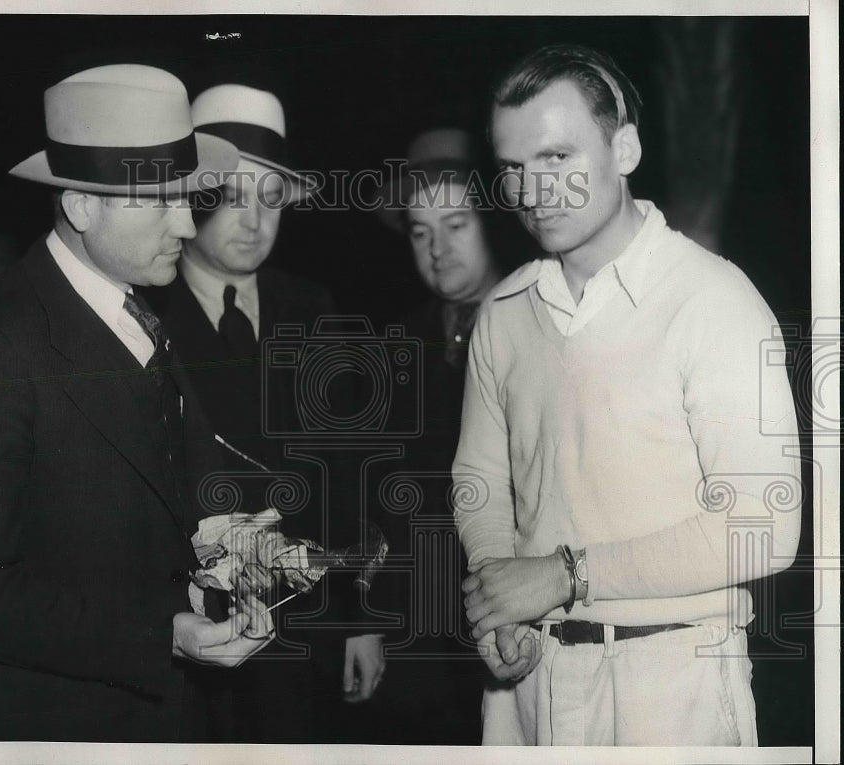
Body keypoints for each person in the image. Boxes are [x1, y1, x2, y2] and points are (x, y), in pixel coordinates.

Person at [0, 64, 275, 742]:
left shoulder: (137, 308)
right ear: (81, 206)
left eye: (188, 197)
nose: (187, 225)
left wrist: (228, 536)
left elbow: (167, 492)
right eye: (162, 200)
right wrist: (161, 632)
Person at [454, 44, 801, 746]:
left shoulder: (713, 300)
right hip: (529, 690)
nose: (533, 192)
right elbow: (480, 480)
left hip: (673, 686)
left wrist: (563, 576)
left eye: (557, 158)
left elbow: (763, 527)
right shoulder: (504, 312)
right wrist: (500, 601)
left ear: (626, 149)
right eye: (514, 169)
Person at [154, 83, 386, 743]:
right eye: (231, 196)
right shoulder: (145, 313)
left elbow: (345, 476)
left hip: (303, 636)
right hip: (192, 638)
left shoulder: (313, 306)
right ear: (190, 197)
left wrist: (360, 618)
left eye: (271, 198)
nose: (254, 220)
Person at [362, 128, 516, 743]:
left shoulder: (537, 322)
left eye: (456, 224)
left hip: (510, 624)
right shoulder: (396, 343)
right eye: (421, 232)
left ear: (492, 223)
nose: (437, 249)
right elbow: (375, 493)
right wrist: (365, 616)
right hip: (415, 638)